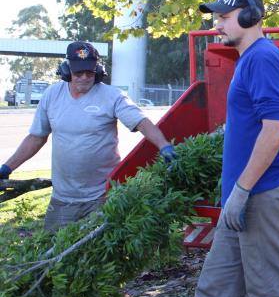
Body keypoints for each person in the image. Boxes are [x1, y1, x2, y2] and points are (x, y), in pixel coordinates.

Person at [188, 0, 279, 297]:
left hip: (259, 194)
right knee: (216, 288)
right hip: (240, 198)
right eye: (216, 18)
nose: (217, 25)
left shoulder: (262, 57)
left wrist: (241, 192)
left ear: (250, 16)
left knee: (271, 292)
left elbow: (275, 131)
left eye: (224, 17)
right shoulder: (250, 59)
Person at [0, 41, 175, 231]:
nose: (84, 78)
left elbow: (141, 122)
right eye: (78, 73)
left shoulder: (113, 96)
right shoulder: (52, 95)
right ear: (67, 72)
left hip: (102, 197)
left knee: (100, 254)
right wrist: (8, 167)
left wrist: (163, 145)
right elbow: (36, 137)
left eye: (89, 73)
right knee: (55, 254)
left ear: (98, 72)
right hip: (62, 200)